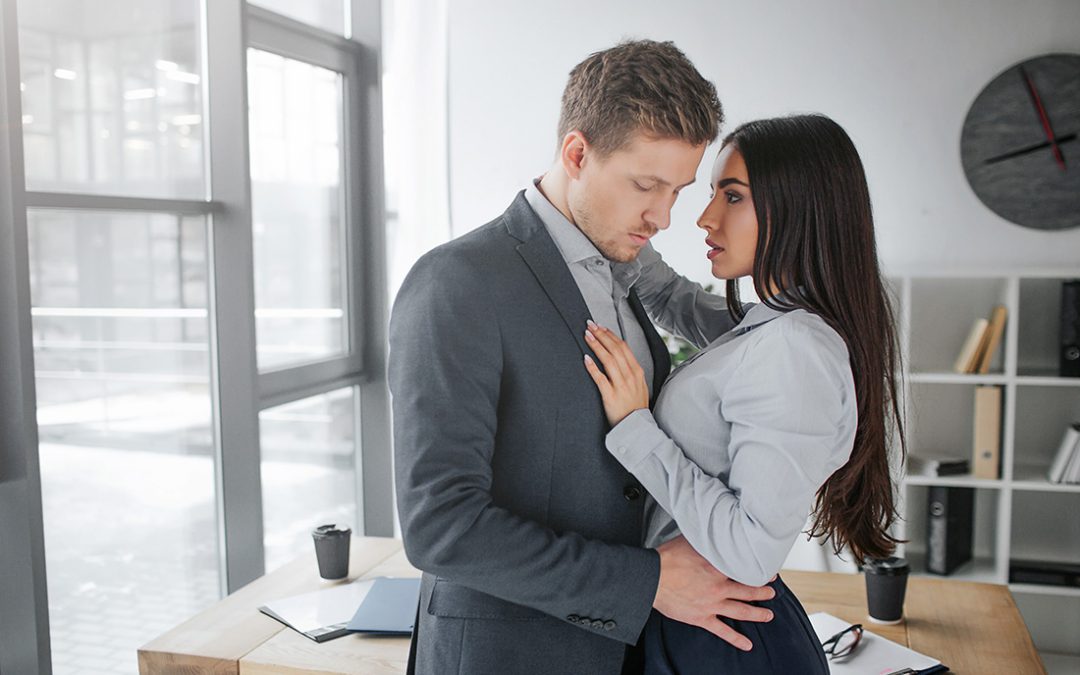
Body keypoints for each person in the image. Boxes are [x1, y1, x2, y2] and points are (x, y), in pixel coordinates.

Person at [389, 41, 776, 675]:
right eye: (646, 185)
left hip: (627, 652)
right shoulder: (457, 283)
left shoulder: (629, 266)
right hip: (505, 657)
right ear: (577, 154)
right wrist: (645, 581)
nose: (663, 216)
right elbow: (441, 527)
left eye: (676, 190)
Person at [582, 113, 906, 673]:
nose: (705, 218)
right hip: (703, 624)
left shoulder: (794, 350)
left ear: (798, 207)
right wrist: (621, 221)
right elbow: (674, 298)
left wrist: (637, 427)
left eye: (732, 197)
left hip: (724, 641)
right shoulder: (774, 326)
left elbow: (751, 552)